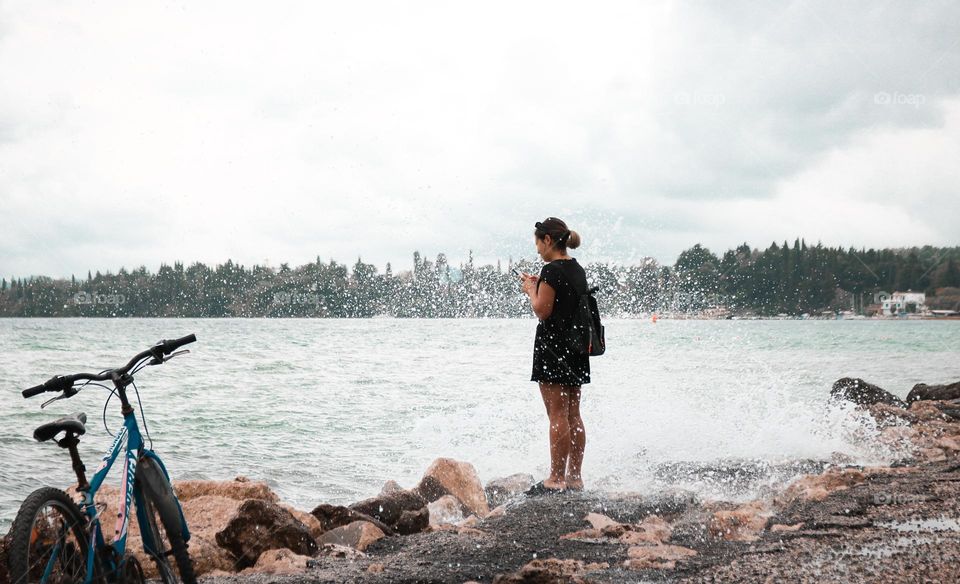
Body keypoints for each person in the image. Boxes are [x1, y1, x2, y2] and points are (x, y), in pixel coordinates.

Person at [519, 217, 589, 494]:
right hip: (576, 348)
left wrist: (530, 290)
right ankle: (574, 477)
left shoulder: (551, 271)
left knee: (557, 414)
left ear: (547, 240)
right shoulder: (577, 269)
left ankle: (556, 479)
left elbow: (542, 310)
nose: (537, 250)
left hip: (553, 348)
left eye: (538, 243)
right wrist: (540, 286)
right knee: (574, 413)